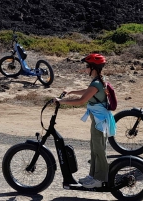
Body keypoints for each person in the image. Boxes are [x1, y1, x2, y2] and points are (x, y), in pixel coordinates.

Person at [54, 53, 116, 188]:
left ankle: (99, 180)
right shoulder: (98, 80)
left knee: (99, 150)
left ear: (93, 67)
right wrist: (72, 91)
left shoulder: (96, 83)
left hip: (100, 121)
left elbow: (82, 100)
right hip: (99, 120)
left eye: (88, 66)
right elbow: (88, 91)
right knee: (95, 149)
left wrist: (61, 101)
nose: (86, 68)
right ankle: (93, 176)